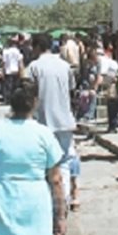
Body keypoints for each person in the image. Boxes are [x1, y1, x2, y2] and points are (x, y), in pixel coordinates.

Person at [0, 82, 67, 235]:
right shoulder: (43, 134)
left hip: (3, 196)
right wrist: (60, 216)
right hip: (36, 200)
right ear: (35, 102)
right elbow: (56, 179)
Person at [26, 33, 77, 202]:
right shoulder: (65, 66)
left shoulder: (33, 67)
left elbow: (28, 94)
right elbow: (71, 90)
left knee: (44, 164)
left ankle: (49, 201)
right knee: (64, 162)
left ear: (37, 47)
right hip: (65, 121)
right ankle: (65, 200)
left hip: (43, 122)